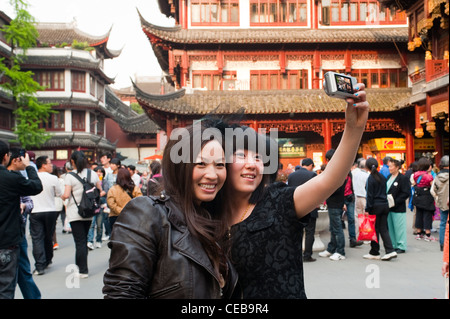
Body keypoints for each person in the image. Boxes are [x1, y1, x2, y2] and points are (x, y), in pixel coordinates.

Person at [223, 83, 369, 298]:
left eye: (258, 157)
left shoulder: (278, 201)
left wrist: (354, 129)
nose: (252, 164)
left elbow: (330, 180)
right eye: (241, 155)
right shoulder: (208, 212)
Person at [103, 123, 239, 299]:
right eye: (200, 164)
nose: (213, 175)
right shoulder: (147, 213)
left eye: (220, 165)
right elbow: (122, 293)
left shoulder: (214, 220)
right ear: (178, 166)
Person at [0, 141, 43, 298]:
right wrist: (30, 166)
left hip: (10, 239)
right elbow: (36, 186)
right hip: (8, 241)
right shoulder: (11, 178)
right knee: (5, 289)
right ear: (6, 157)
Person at [61, 151, 104, 279]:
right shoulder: (93, 174)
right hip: (89, 212)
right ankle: (82, 268)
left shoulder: (70, 176)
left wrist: (60, 195)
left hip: (75, 212)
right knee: (84, 239)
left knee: (79, 242)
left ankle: (82, 270)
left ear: (72, 161)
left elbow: (67, 195)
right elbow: (100, 191)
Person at [29, 156, 63, 275]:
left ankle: (40, 266)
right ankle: (48, 259)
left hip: (35, 211)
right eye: (49, 163)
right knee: (48, 236)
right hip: (50, 210)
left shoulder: (32, 178)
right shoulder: (53, 178)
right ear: (43, 165)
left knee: (37, 238)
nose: (51, 165)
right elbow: (60, 193)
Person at [363, 158, 397, 261]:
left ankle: (378, 251)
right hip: (384, 205)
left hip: (375, 207)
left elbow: (369, 195)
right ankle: (385, 250)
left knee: (375, 230)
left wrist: (367, 209)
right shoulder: (382, 177)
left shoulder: (370, 178)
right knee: (383, 229)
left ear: (367, 167)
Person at [318, 149, 347, 261]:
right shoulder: (338, 168)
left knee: (337, 228)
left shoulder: (338, 170)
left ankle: (340, 251)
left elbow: (336, 187)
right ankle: (331, 248)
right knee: (333, 228)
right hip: (333, 202)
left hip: (336, 203)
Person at [287, 158, 318, 262]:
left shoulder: (291, 175)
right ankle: (307, 255)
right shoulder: (312, 175)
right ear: (310, 165)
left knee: (294, 232)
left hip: (294, 207)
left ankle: (294, 254)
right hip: (310, 207)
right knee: (309, 232)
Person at [386, 159, 411, 254]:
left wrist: (395, 202)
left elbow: (406, 193)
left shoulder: (403, 178)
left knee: (399, 227)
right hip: (388, 206)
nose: (390, 168)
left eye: (391, 166)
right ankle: (393, 244)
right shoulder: (389, 177)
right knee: (390, 227)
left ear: (397, 167)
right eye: (389, 166)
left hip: (398, 207)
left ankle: (401, 245)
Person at [412, 157, 436, 241]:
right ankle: (428, 235)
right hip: (427, 197)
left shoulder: (415, 174)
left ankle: (419, 234)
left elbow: (414, 184)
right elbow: (433, 187)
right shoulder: (428, 176)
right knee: (427, 215)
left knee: (419, 214)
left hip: (418, 197)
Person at [87, 166, 109, 249]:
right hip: (92, 206)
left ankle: (98, 240)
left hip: (101, 205)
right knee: (91, 225)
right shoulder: (90, 182)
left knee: (99, 225)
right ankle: (90, 241)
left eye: (100, 172)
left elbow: (104, 191)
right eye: (97, 171)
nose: (98, 173)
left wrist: (95, 194)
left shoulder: (105, 182)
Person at [431, 155, 449, 251]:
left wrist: (438, 198)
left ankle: (442, 244)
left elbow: (433, 191)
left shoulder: (437, 176)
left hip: (442, 203)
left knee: (443, 223)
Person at [351, 158, 369, 240]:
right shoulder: (367, 176)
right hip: (364, 197)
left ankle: (358, 235)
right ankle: (366, 236)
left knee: (358, 217)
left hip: (356, 196)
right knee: (366, 217)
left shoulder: (354, 174)